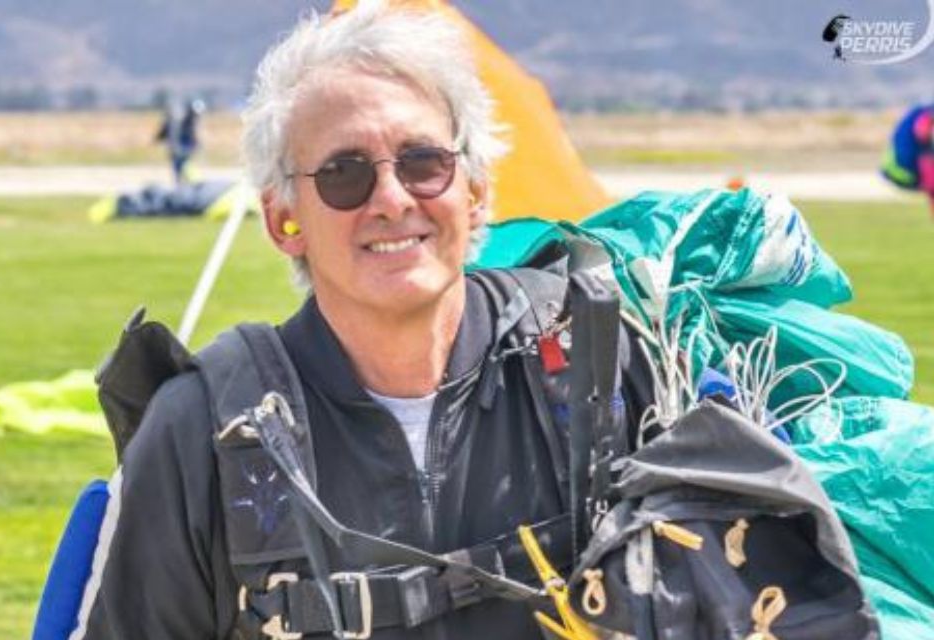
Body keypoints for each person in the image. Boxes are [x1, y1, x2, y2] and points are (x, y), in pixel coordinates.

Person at [72, 2, 649, 638]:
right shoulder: (199, 432)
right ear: (284, 221)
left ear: (476, 190)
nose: (392, 200)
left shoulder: (599, 368)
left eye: (423, 162)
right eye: (343, 174)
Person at [881, 102, 934, 215]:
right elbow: (922, 134)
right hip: (903, 170)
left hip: (894, 168)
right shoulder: (925, 117)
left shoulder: (920, 112)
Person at [155, 98, 205, 184]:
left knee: (184, 167)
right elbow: (165, 133)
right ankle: (184, 184)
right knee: (181, 167)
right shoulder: (181, 122)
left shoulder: (185, 121)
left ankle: (186, 183)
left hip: (182, 148)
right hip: (179, 148)